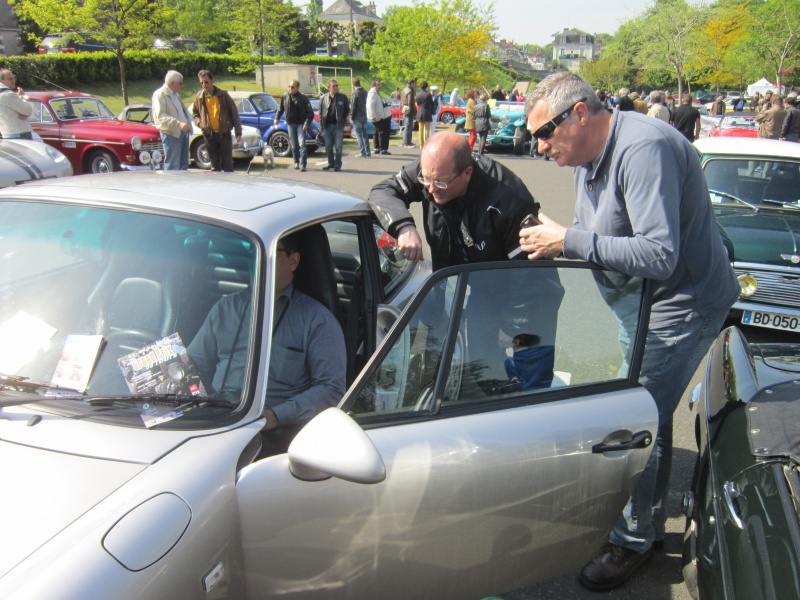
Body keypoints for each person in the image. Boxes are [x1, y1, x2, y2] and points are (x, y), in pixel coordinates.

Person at [521, 71, 738, 591]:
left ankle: (633, 541)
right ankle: (639, 523)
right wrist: (562, 238)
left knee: (631, 419)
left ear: (579, 113)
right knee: (650, 417)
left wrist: (568, 240)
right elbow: (601, 232)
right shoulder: (584, 155)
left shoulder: (643, 149)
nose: (540, 146)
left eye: (545, 133)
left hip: (680, 308)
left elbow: (659, 255)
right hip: (638, 308)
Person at [188, 232, 346, 453]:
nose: (256, 262)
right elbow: (193, 365)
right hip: (216, 422)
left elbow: (331, 389)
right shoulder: (225, 308)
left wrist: (276, 416)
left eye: (267, 254)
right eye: (253, 254)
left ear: (293, 261)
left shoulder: (317, 320)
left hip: (270, 434)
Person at [367, 130, 539, 271]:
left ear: (467, 174)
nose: (431, 189)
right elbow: (383, 191)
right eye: (425, 180)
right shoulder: (431, 170)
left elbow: (531, 275)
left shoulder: (510, 201)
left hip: (500, 291)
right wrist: (403, 226)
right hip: (448, 279)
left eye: (440, 183)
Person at [192, 70, 242, 172]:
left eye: (206, 82)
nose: (204, 85)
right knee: (214, 166)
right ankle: (217, 187)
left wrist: (238, 132)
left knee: (227, 164)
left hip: (224, 134)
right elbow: (195, 114)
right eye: (201, 83)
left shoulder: (223, 95)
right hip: (209, 136)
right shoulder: (199, 97)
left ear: (212, 81)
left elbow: (234, 113)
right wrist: (200, 123)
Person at [151, 70, 193, 170]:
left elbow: (183, 112)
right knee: (173, 165)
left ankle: (182, 185)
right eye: (180, 83)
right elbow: (160, 117)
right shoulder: (160, 94)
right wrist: (178, 123)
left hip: (183, 133)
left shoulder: (176, 95)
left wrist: (188, 125)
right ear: (172, 83)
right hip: (171, 134)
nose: (182, 85)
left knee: (184, 165)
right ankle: (171, 185)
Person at [275, 79, 314, 171]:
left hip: (301, 123)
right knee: (293, 144)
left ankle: (303, 164)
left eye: (292, 87)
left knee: (302, 144)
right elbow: (280, 109)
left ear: (297, 88)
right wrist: (277, 117)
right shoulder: (285, 96)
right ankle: (296, 162)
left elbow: (310, 113)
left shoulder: (303, 98)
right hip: (290, 123)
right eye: (289, 87)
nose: (290, 89)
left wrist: (306, 123)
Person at [319, 78, 350, 171]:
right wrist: (321, 126)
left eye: (337, 86)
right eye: (334, 86)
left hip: (338, 126)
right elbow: (321, 112)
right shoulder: (323, 98)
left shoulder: (342, 97)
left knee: (338, 146)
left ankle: (337, 164)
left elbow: (347, 110)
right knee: (328, 146)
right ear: (329, 88)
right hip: (327, 126)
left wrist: (342, 120)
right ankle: (330, 163)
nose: (336, 87)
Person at [0, 69, 33, 139]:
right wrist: (22, 97)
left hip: (6, 133)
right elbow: (28, 110)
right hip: (20, 134)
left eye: (14, 78)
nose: (13, 81)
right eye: (10, 79)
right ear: (1, 80)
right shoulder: (8, 94)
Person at [366, 79, 392, 155]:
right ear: (374, 85)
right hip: (378, 116)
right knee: (382, 132)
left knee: (377, 132)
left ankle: (377, 148)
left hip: (379, 115)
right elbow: (370, 106)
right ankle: (383, 148)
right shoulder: (372, 93)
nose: (380, 86)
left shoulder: (375, 93)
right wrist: (372, 116)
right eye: (378, 85)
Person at [349, 77, 370, 158]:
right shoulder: (365, 92)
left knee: (359, 134)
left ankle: (362, 152)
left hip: (357, 116)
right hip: (364, 114)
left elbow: (353, 106)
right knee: (365, 134)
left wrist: (352, 116)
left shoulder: (355, 93)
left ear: (353, 84)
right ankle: (367, 151)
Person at [415, 80, 434, 149]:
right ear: (426, 87)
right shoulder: (428, 94)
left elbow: (417, 103)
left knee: (420, 129)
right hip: (427, 112)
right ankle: (427, 143)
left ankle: (421, 144)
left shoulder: (418, 94)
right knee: (427, 130)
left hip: (420, 112)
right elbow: (432, 103)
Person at [401, 78, 417, 148]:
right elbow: (410, 101)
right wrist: (413, 109)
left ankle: (407, 141)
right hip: (409, 110)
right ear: (412, 84)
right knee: (408, 126)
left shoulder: (404, 89)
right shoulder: (410, 91)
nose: (415, 86)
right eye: (414, 84)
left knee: (407, 126)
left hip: (404, 108)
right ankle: (406, 142)